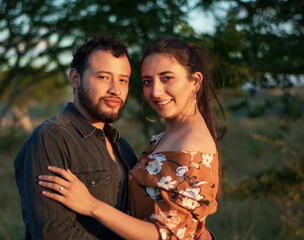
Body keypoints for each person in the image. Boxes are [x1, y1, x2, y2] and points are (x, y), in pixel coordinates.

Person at [38, 36, 225, 239]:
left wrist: (92, 206)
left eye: (167, 78)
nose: (155, 91)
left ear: (195, 82)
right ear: (75, 78)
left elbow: (166, 235)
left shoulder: (191, 146)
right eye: (147, 81)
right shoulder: (165, 137)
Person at [14, 34, 138, 239]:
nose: (116, 89)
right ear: (75, 78)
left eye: (123, 80)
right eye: (103, 77)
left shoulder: (122, 147)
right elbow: (52, 232)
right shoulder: (50, 138)